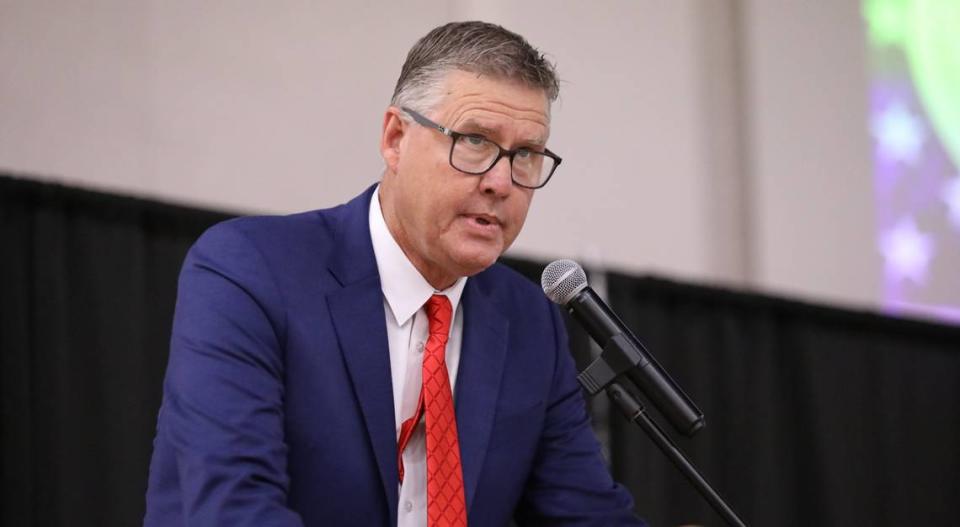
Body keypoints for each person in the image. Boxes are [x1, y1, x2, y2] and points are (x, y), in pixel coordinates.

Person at [145, 21, 644, 526]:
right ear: (395, 138)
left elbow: (586, 514)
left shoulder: (528, 321)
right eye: (474, 140)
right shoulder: (250, 271)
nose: (501, 181)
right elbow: (232, 507)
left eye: (526, 155)